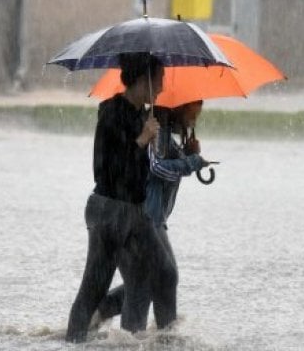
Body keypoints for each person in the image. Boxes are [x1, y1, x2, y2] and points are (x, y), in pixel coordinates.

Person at [65, 52, 164, 343]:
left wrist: (156, 148)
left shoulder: (140, 116)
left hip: (134, 211)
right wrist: (142, 141)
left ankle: (131, 340)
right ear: (141, 80)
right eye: (158, 80)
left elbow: (140, 172)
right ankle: (74, 341)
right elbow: (108, 170)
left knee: (148, 277)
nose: (161, 88)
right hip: (109, 210)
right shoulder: (111, 112)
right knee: (94, 287)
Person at [91, 100, 210, 331]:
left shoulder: (164, 133)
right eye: (194, 109)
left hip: (155, 220)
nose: (197, 116)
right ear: (178, 106)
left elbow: (166, 164)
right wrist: (192, 161)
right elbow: (159, 167)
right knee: (154, 279)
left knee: (159, 278)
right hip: (144, 216)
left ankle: (105, 314)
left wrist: (187, 154)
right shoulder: (159, 129)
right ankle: (156, 336)